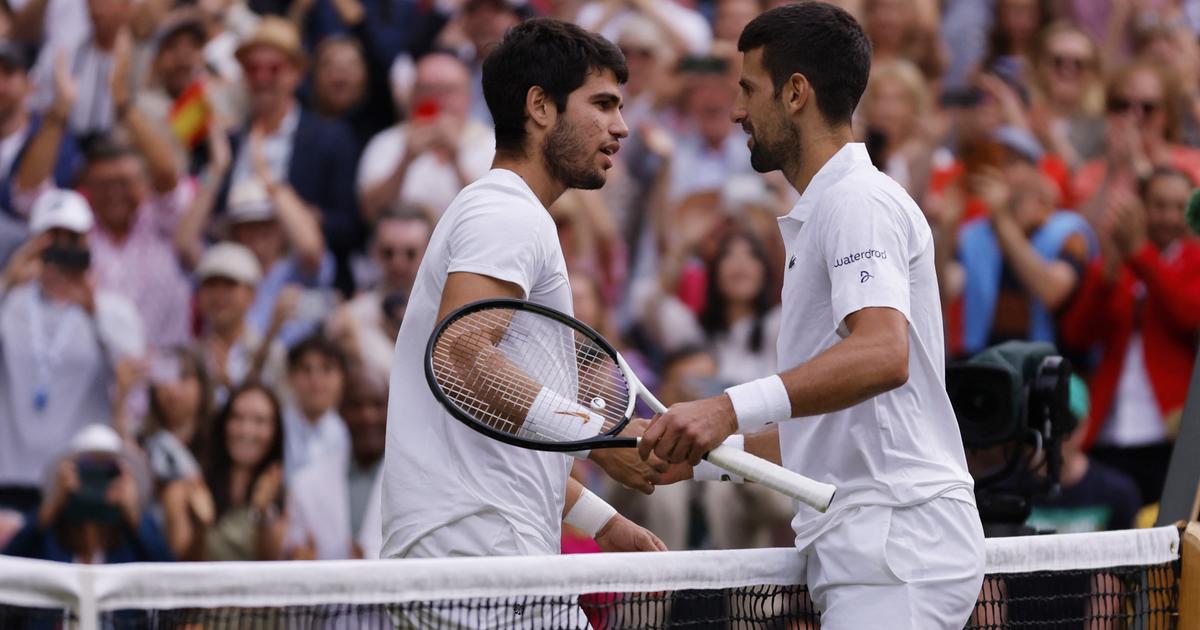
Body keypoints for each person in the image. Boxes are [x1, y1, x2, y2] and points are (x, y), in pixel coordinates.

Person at [640, 4, 985, 628]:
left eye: (747, 88)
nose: (737, 109)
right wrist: (714, 449)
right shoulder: (834, 206)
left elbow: (885, 354)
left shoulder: (855, 201)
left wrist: (724, 408)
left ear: (795, 93)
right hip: (877, 547)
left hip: (895, 547)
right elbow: (828, 433)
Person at [381, 18, 670, 582]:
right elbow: (460, 353)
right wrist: (598, 434)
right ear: (541, 107)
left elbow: (501, 434)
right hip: (479, 559)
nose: (622, 127)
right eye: (604, 104)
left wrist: (605, 524)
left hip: (479, 553)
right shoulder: (506, 210)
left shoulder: (504, 210)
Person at [1059, 166, 1200, 504]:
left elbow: (1188, 316)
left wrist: (1139, 254)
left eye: (1179, 207)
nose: (1168, 216)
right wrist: (1106, 276)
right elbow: (1077, 335)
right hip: (1110, 433)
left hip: (1172, 437)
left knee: (1172, 547)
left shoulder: (1194, 260)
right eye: (1158, 205)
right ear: (1141, 208)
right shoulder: (1116, 260)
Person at [0, 190, 145, 513]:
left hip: (80, 477)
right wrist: (8, 279)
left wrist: (93, 311)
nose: (63, 250)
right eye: (53, 238)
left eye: (73, 239)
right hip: (8, 476)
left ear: (88, 244)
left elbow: (131, 377)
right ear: (34, 243)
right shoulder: (10, 303)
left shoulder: (113, 310)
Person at [2, 424, 173, 564]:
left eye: (108, 472)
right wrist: (53, 505)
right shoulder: (47, 536)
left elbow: (167, 575)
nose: (96, 479)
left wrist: (134, 514)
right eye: (87, 469)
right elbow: (9, 564)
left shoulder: (134, 540)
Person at [165, 382, 288, 561]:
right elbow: (182, 566)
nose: (247, 430)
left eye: (260, 421)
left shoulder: (280, 493)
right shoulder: (186, 490)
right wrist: (201, 528)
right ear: (223, 424)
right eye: (237, 418)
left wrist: (263, 513)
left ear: (275, 432)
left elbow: (272, 567)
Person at [286, 364, 386, 560]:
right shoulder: (305, 485)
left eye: (377, 405)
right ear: (340, 411)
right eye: (356, 405)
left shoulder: (421, 480)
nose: (367, 416)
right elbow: (296, 554)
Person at [281, 334, 349, 476]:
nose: (316, 380)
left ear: (342, 377)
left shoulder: (353, 433)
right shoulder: (274, 427)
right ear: (290, 376)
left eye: (327, 369)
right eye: (306, 370)